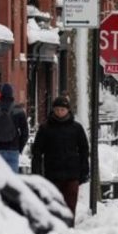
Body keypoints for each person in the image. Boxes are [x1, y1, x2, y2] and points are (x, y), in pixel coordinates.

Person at [30, 97, 89, 226]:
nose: (60, 112)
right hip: (52, 174)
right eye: (57, 109)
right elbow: (37, 152)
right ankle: (56, 230)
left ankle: (69, 229)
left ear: (68, 110)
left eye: (62, 109)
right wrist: (37, 172)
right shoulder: (45, 128)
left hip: (72, 174)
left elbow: (84, 150)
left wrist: (84, 171)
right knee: (53, 205)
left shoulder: (76, 128)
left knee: (70, 205)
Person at [0, 83, 28, 173]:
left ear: (1, 94)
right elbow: (25, 132)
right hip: (13, 149)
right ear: (12, 94)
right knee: (12, 181)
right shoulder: (19, 110)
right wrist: (19, 147)